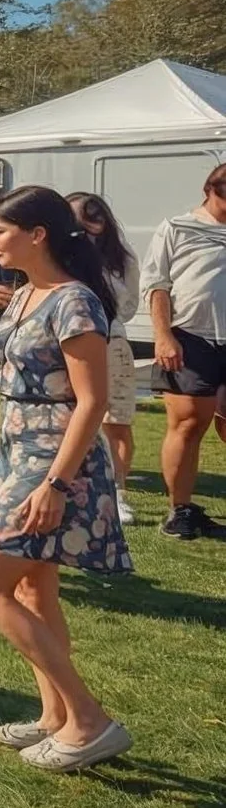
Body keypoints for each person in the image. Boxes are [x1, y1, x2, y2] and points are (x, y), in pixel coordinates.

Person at [0, 185, 133, 772]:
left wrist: (55, 484)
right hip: (17, 450)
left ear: (38, 235)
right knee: (33, 590)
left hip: (52, 461)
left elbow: (92, 400)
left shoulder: (74, 302)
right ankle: (55, 716)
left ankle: (89, 719)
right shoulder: (22, 295)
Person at [144, 164, 226, 541]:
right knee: (190, 424)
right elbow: (157, 285)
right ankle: (180, 510)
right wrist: (163, 336)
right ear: (210, 189)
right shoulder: (177, 228)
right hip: (191, 337)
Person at [68, 193, 143, 523]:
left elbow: (128, 307)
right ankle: (70, 486)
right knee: (69, 417)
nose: (86, 225)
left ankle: (117, 492)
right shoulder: (59, 256)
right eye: (76, 218)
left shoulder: (121, 260)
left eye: (93, 216)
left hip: (111, 343)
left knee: (116, 422)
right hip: (68, 343)